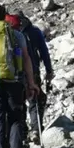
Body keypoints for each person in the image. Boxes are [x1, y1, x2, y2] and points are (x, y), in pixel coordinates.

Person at [0, 5, 39, 148]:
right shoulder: (16, 35)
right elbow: (26, 58)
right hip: (15, 81)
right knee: (16, 117)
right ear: (5, 16)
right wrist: (31, 83)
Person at [16, 13, 53, 141]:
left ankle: (21, 133)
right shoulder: (34, 31)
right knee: (36, 100)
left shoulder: (9, 33)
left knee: (18, 103)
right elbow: (44, 52)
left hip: (14, 74)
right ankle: (36, 129)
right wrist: (49, 71)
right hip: (33, 70)